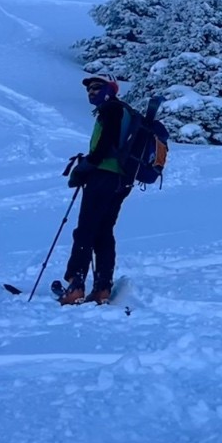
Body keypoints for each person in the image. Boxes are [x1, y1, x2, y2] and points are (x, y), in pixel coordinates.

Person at [58, 76, 132, 305]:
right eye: (89, 89)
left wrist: (86, 167)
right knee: (103, 231)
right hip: (122, 180)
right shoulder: (125, 112)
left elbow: (103, 148)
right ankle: (102, 288)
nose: (91, 92)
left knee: (86, 230)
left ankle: (75, 285)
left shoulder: (110, 109)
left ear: (111, 89)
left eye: (97, 87)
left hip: (104, 177)